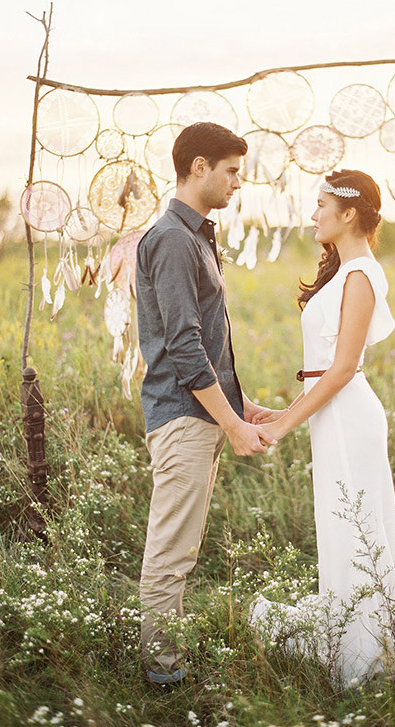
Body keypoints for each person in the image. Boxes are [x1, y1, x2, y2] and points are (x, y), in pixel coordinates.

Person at [251, 169, 395, 685]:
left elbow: (342, 369)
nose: (313, 214)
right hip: (333, 412)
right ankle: (351, 636)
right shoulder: (346, 272)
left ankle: (366, 660)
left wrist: (283, 427)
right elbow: (325, 368)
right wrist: (284, 411)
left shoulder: (361, 275)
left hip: (349, 417)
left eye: (321, 205)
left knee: (354, 527)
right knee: (341, 526)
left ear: (349, 214)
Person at [136, 121, 275, 685]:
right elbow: (184, 346)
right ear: (199, 167)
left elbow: (206, 342)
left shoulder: (195, 235)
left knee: (181, 549)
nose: (238, 182)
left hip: (203, 412)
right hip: (184, 418)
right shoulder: (171, 238)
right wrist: (234, 427)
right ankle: (162, 675)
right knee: (170, 553)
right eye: (232, 171)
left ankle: (164, 664)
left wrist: (243, 405)